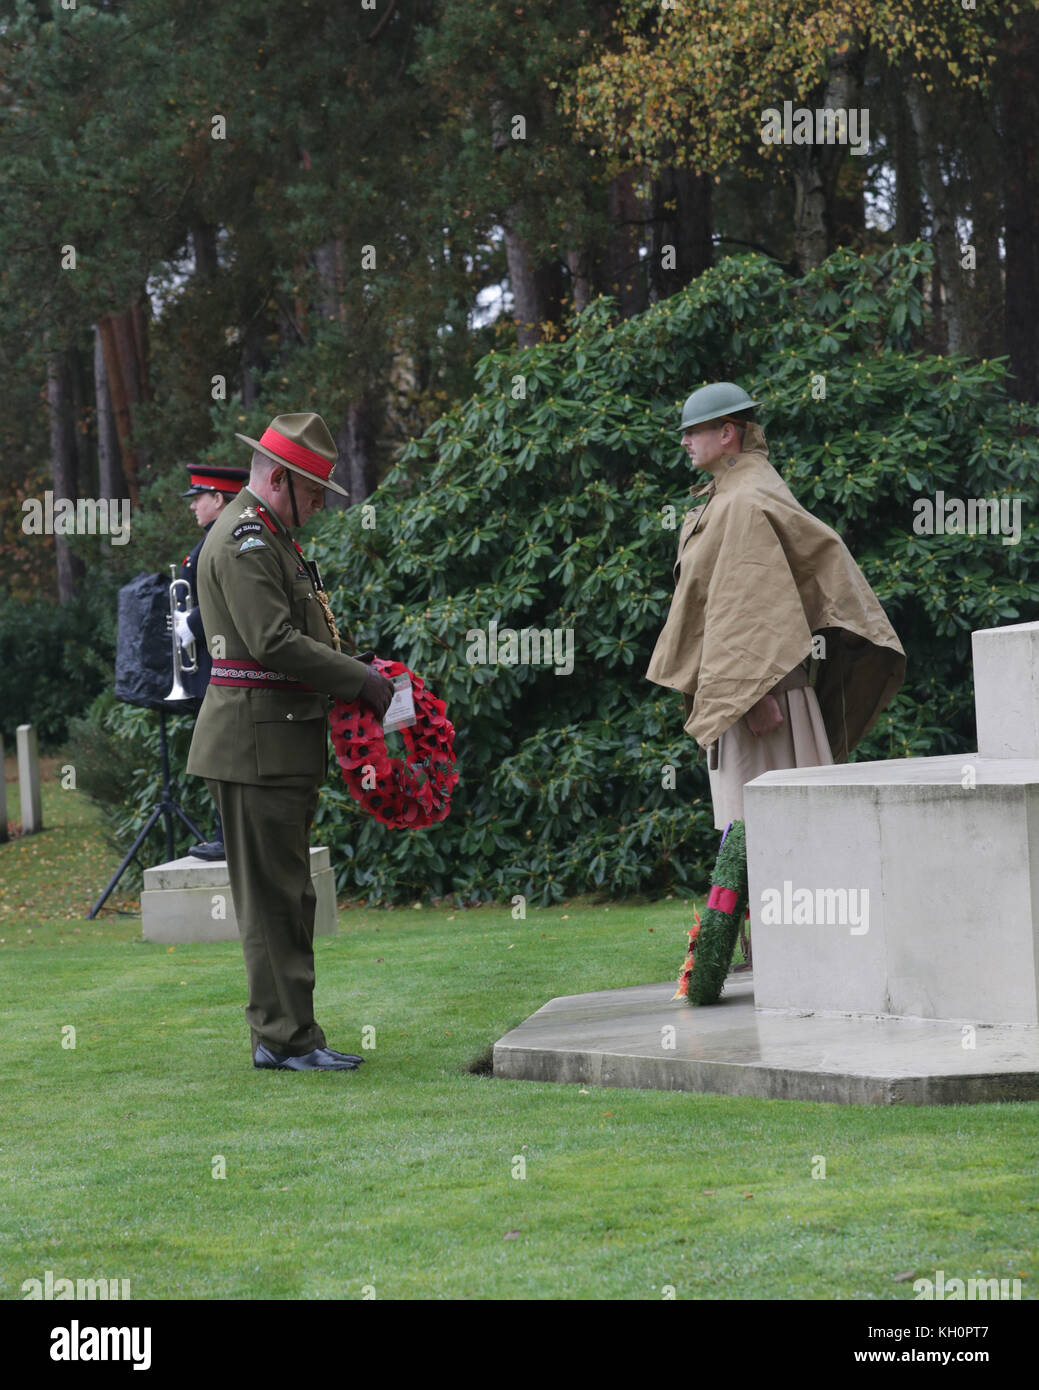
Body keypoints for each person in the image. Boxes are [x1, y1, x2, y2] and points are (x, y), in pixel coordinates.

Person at [646, 382, 905, 970]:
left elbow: (751, 606)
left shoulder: (741, 499)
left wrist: (754, 694)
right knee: (761, 835)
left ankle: (802, 963)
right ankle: (785, 960)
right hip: (754, 695)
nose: (685, 441)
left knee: (772, 835)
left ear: (727, 433)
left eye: (694, 430)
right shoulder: (735, 490)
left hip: (765, 704)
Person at [186, 412, 394, 1072]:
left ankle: (289, 1034)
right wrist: (360, 681)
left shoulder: (268, 538)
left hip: (271, 741)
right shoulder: (247, 540)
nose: (315, 507)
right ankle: (284, 1038)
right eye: (311, 493)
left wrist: (355, 671)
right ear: (279, 479)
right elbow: (272, 642)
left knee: (289, 895)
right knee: (274, 900)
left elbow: (295, 639)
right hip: (254, 745)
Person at [173, 463, 249, 860]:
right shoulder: (213, 539)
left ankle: (229, 837)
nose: (193, 507)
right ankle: (227, 834)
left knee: (223, 754)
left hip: (221, 664)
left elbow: (227, 596)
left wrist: (193, 624)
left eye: (198, 498)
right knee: (218, 754)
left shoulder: (225, 539)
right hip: (212, 664)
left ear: (218, 499)